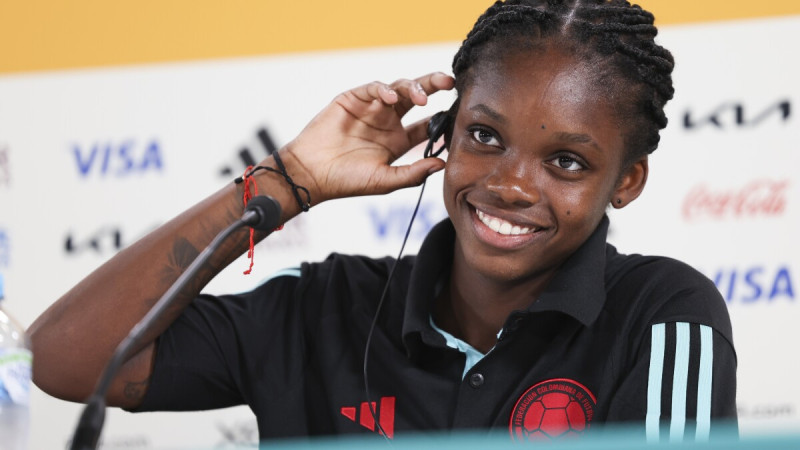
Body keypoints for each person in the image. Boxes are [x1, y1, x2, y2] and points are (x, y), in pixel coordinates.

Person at [30, 0, 736, 444]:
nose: (512, 183)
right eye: (485, 136)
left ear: (627, 182)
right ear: (443, 134)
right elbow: (63, 358)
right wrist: (287, 182)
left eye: (567, 162)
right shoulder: (325, 307)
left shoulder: (664, 314)